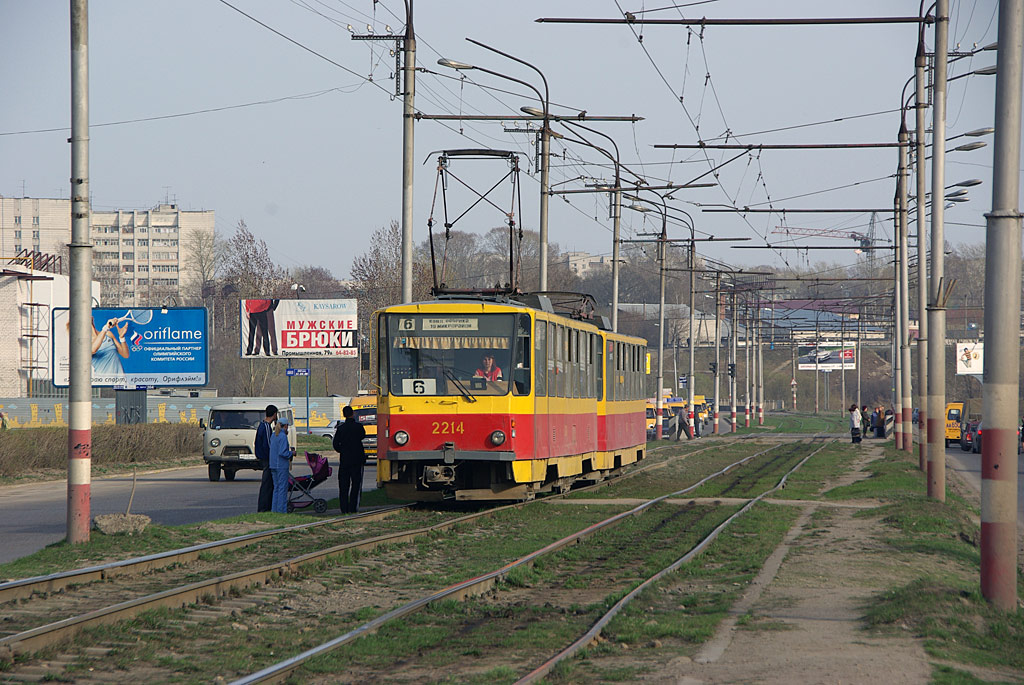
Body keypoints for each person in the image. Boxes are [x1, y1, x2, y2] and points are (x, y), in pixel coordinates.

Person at [334, 405, 366, 514]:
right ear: (353, 414)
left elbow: (335, 444)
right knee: (356, 485)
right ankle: (353, 508)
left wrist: (342, 450)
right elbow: (362, 436)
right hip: (357, 460)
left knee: (343, 486)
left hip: (345, 460)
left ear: (343, 415)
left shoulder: (341, 428)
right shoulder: (359, 427)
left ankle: (344, 509)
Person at [255, 404, 278, 512]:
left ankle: (265, 506)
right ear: (274, 414)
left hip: (262, 457)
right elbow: (268, 444)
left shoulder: (261, 425)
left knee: (267, 484)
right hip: (267, 459)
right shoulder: (266, 427)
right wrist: (273, 457)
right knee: (267, 484)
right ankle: (264, 507)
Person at [269, 415, 294, 513]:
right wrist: (291, 453)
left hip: (273, 464)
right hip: (281, 466)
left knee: (276, 488)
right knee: (282, 489)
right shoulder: (283, 437)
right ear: (286, 426)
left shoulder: (273, 435)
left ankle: (274, 510)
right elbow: (283, 452)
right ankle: (282, 510)